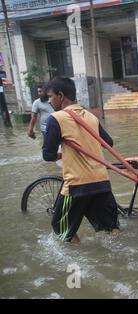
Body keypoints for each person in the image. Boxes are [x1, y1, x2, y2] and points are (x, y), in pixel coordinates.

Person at [42, 77, 120, 243]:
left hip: (76, 185)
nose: (49, 101)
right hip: (102, 181)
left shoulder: (56, 118)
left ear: (60, 96)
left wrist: (62, 154)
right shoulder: (91, 117)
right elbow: (109, 143)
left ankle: (78, 265)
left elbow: (48, 155)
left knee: (61, 230)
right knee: (111, 228)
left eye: (50, 96)